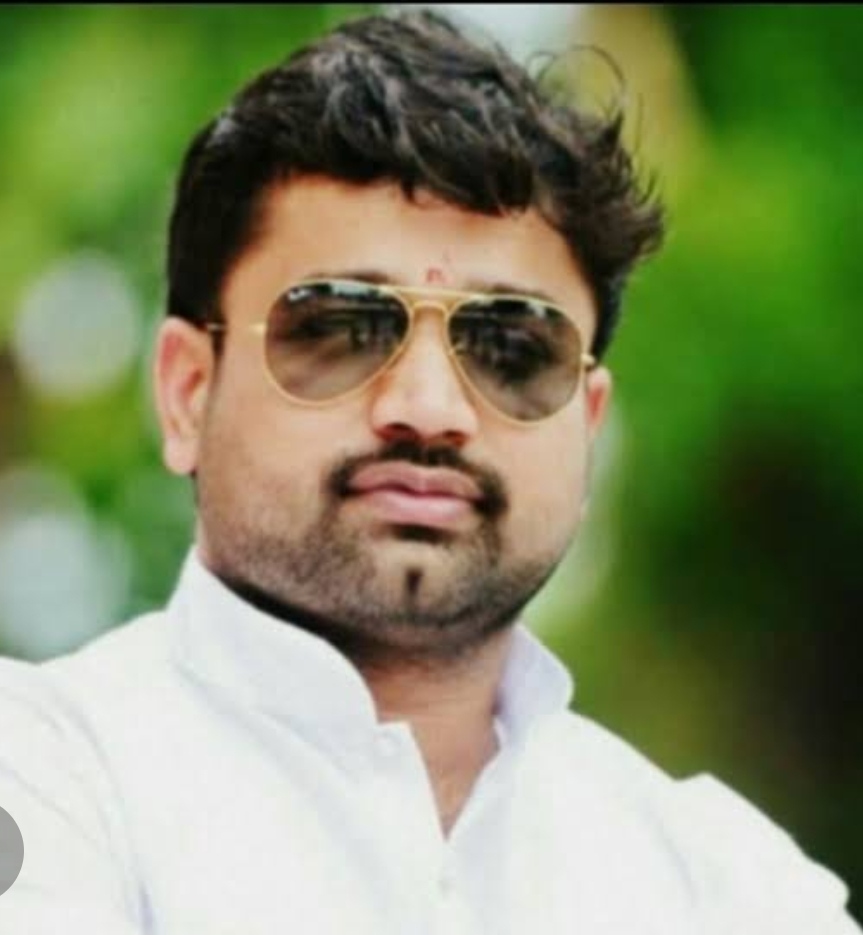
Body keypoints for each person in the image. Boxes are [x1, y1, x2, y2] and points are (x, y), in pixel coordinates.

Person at [0, 9, 858, 934]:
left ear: (586, 424)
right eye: (340, 328)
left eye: (512, 347)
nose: (429, 406)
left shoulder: (726, 880)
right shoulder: (47, 773)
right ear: (185, 393)